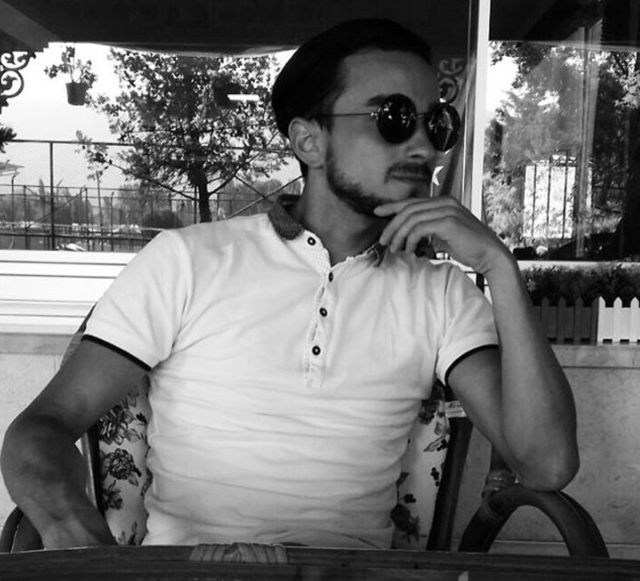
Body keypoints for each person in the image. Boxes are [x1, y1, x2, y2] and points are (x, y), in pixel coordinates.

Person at [1, 18, 579, 550]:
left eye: (436, 123)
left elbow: (546, 465)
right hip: (191, 570)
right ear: (308, 141)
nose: (424, 145)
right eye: (394, 118)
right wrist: (76, 536)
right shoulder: (189, 261)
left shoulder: (443, 296)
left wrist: (500, 267)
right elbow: (40, 430)